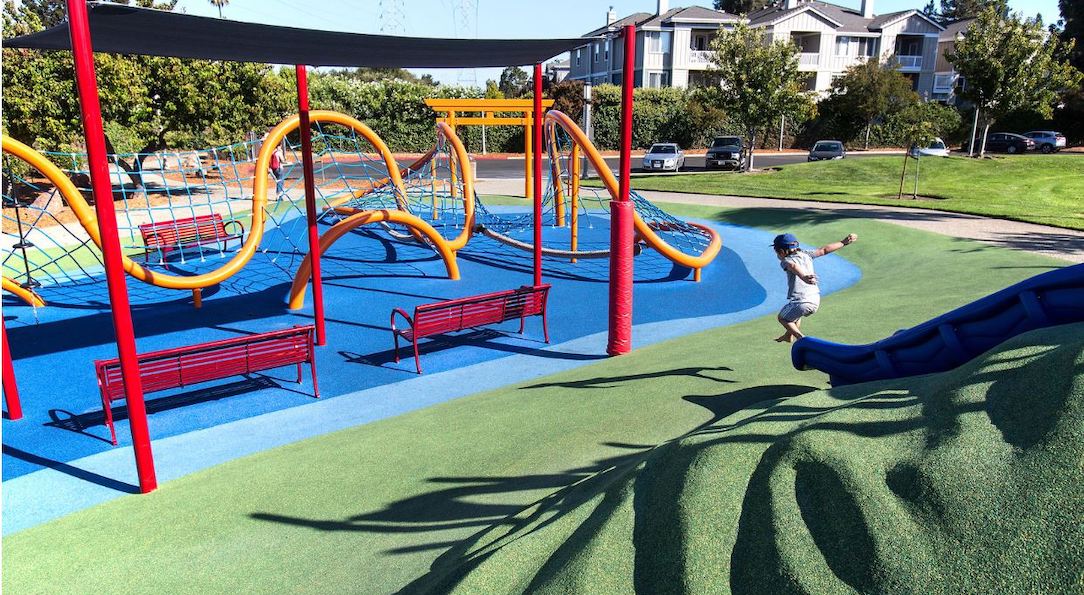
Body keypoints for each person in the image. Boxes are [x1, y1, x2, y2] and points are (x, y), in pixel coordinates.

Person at [772, 232, 858, 343]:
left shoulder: (786, 261)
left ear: (782, 252)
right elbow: (824, 250)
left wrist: (804, 277)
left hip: (801, 301)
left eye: (776, 252)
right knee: (795, 316)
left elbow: (792, 266)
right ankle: (788, 335)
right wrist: (843, 242)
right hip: (815, 300)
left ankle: (801, 338)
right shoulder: (806, 254)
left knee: (782, 318)